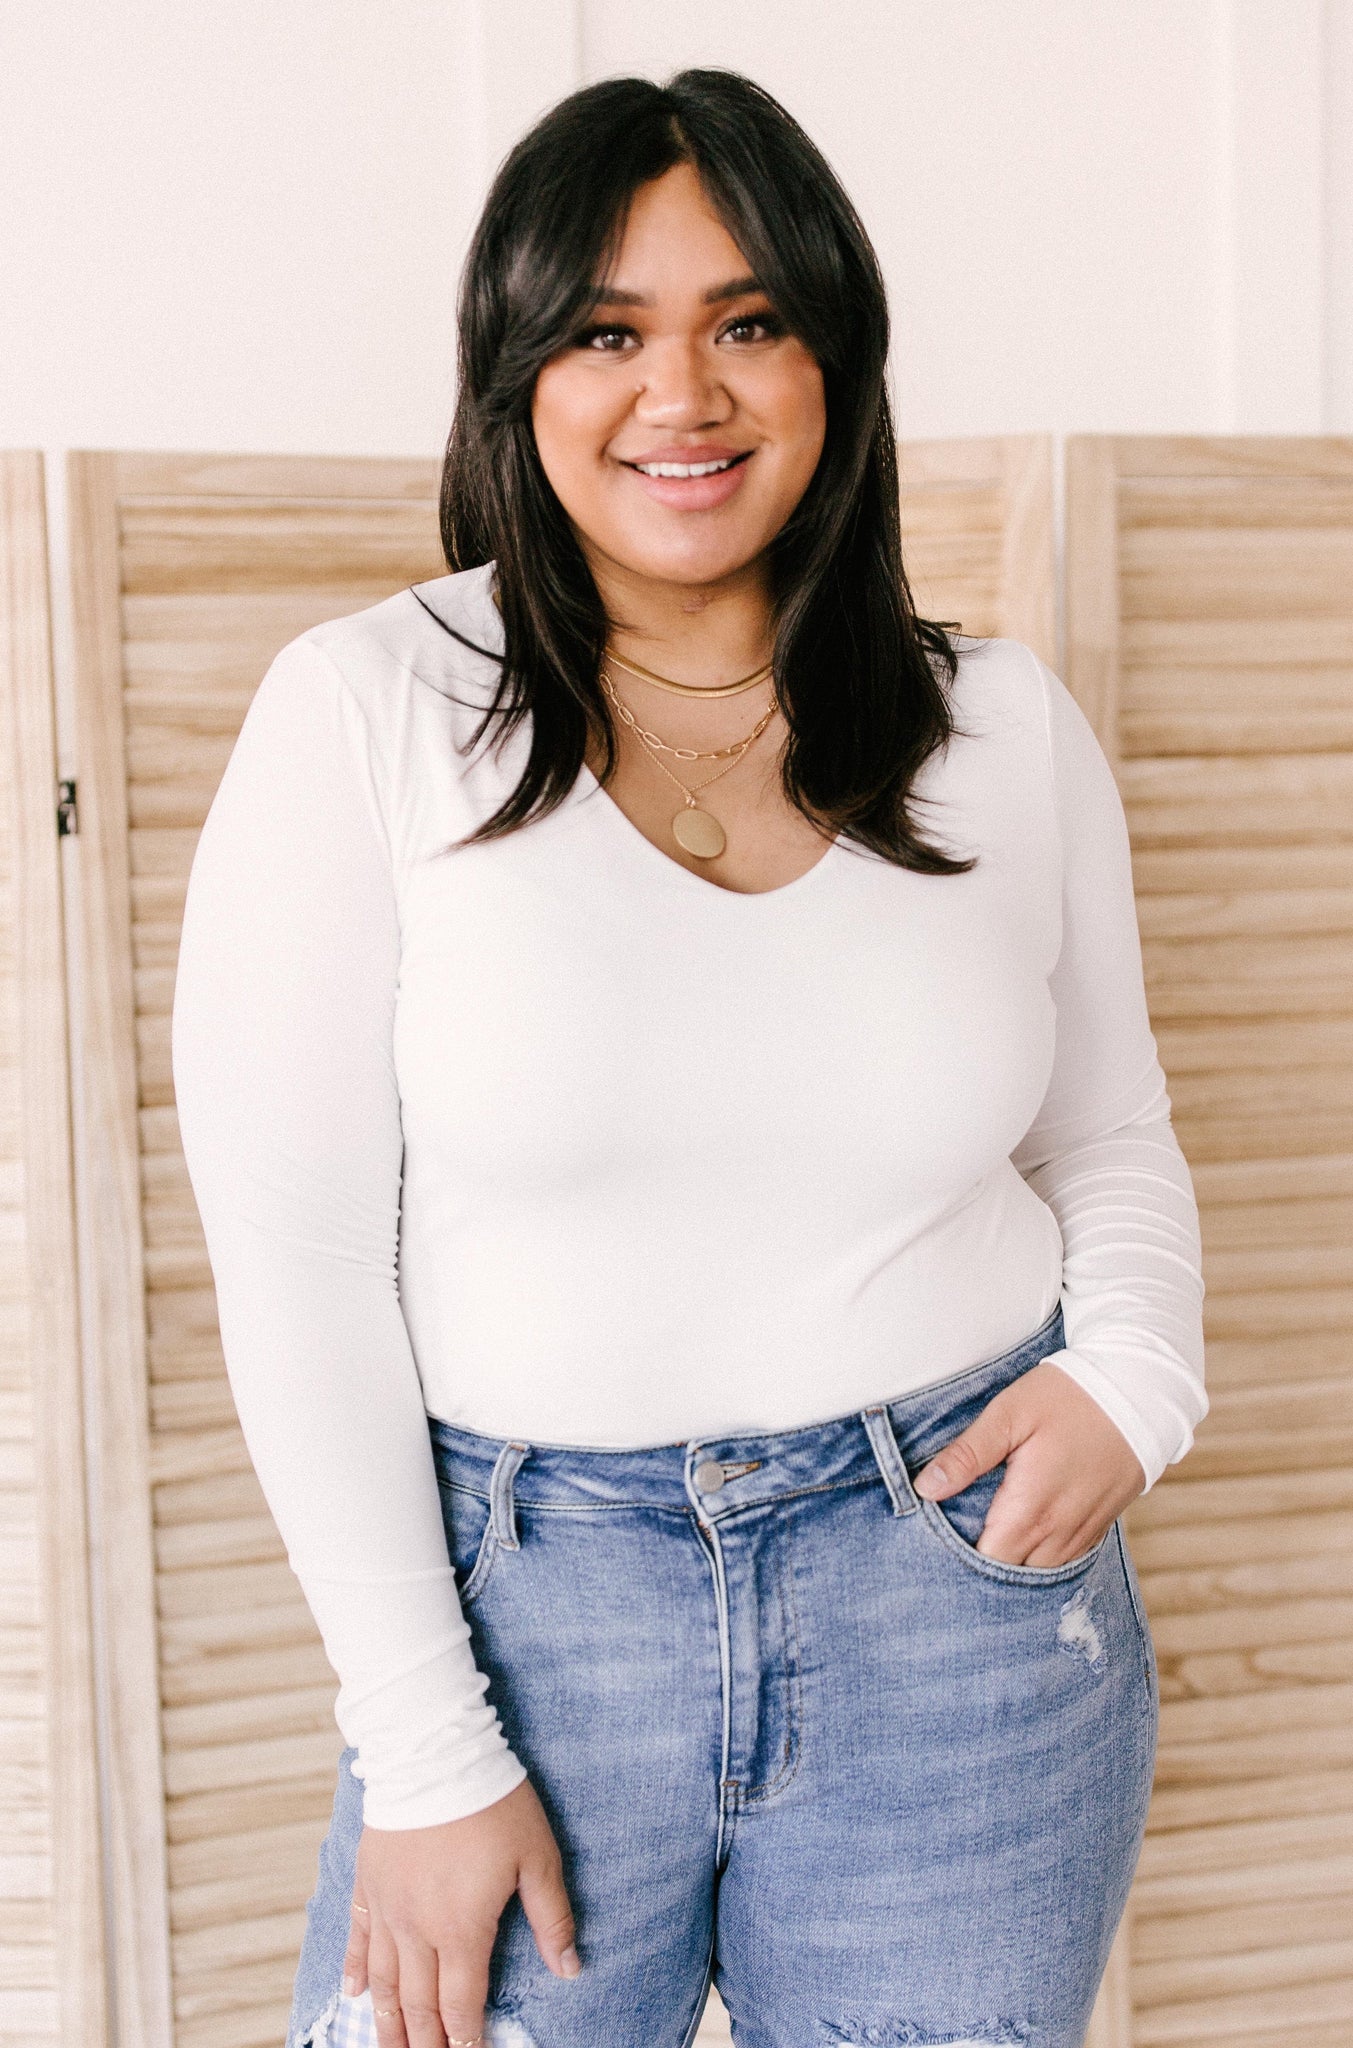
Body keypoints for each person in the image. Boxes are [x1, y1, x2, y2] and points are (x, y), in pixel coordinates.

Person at [170, 68, 1206, 2048]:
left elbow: (1111, 1136)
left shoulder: (997, 726)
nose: (684, 394)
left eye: (746, 321)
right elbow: (296, 1270)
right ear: (514, 375)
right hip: (530, 1616)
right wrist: (422, 1750)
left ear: (832, 354)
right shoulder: (368, 714)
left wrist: (1131, 1379)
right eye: (605, 332)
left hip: (962, 1597)